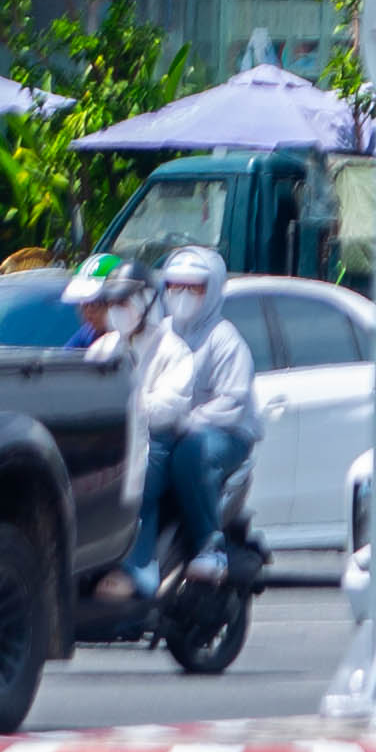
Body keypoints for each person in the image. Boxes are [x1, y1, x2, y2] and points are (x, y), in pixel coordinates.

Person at [103, 246, 256, 613]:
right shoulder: (158, 333)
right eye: (175, 286)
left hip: (224, 433)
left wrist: (188, 421)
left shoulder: (224, 338)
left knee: (187, 455)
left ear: (214, 288)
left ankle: (209, 545)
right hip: (166, 430)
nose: (183, 295)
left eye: (195, 288)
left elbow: (233, 402)